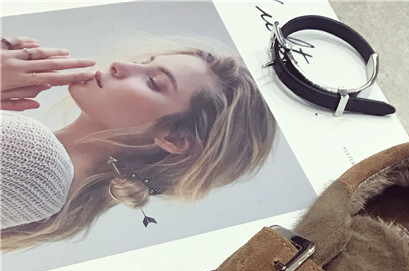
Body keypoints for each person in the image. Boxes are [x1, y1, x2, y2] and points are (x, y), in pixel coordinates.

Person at [1, 36, 275, 250]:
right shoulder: (48, 182)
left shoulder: (37, 159)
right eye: (145, 61)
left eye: (153, 82)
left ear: (174, 138)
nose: (120, 65)